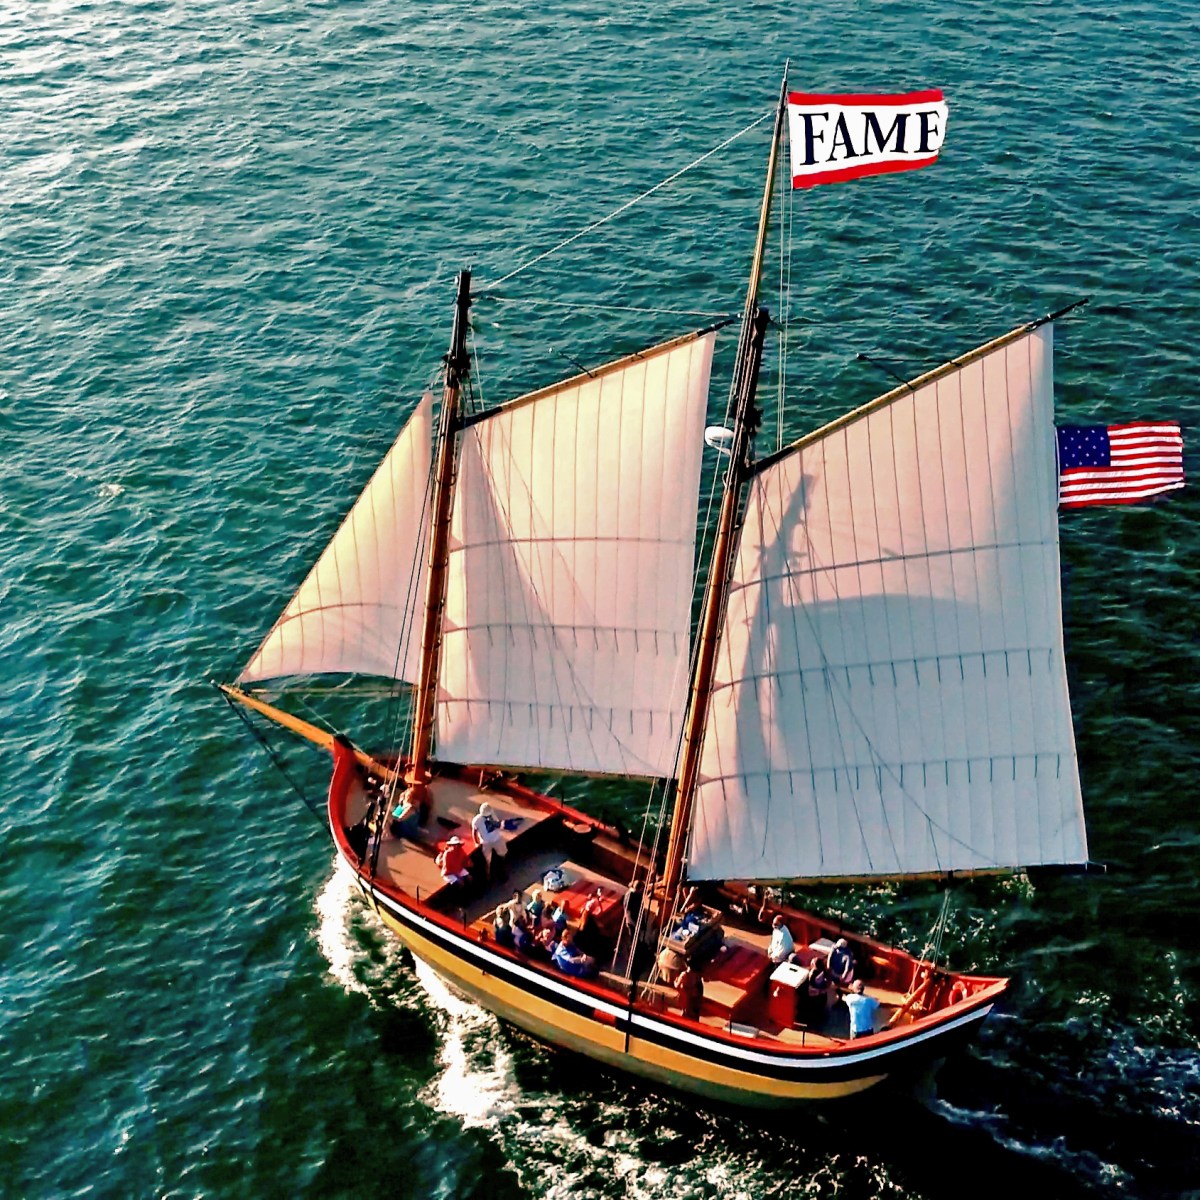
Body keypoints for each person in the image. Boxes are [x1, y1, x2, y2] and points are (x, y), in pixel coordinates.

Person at [471, 800, 508, 880]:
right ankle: (488, 876)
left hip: (496, 838)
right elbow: (474, 831)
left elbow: (498, 825)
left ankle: (501, 872)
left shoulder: (493, 816)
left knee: (502, 854)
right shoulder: (476, 820)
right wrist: (476, 843)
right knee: (487, 860)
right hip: (485, 842)